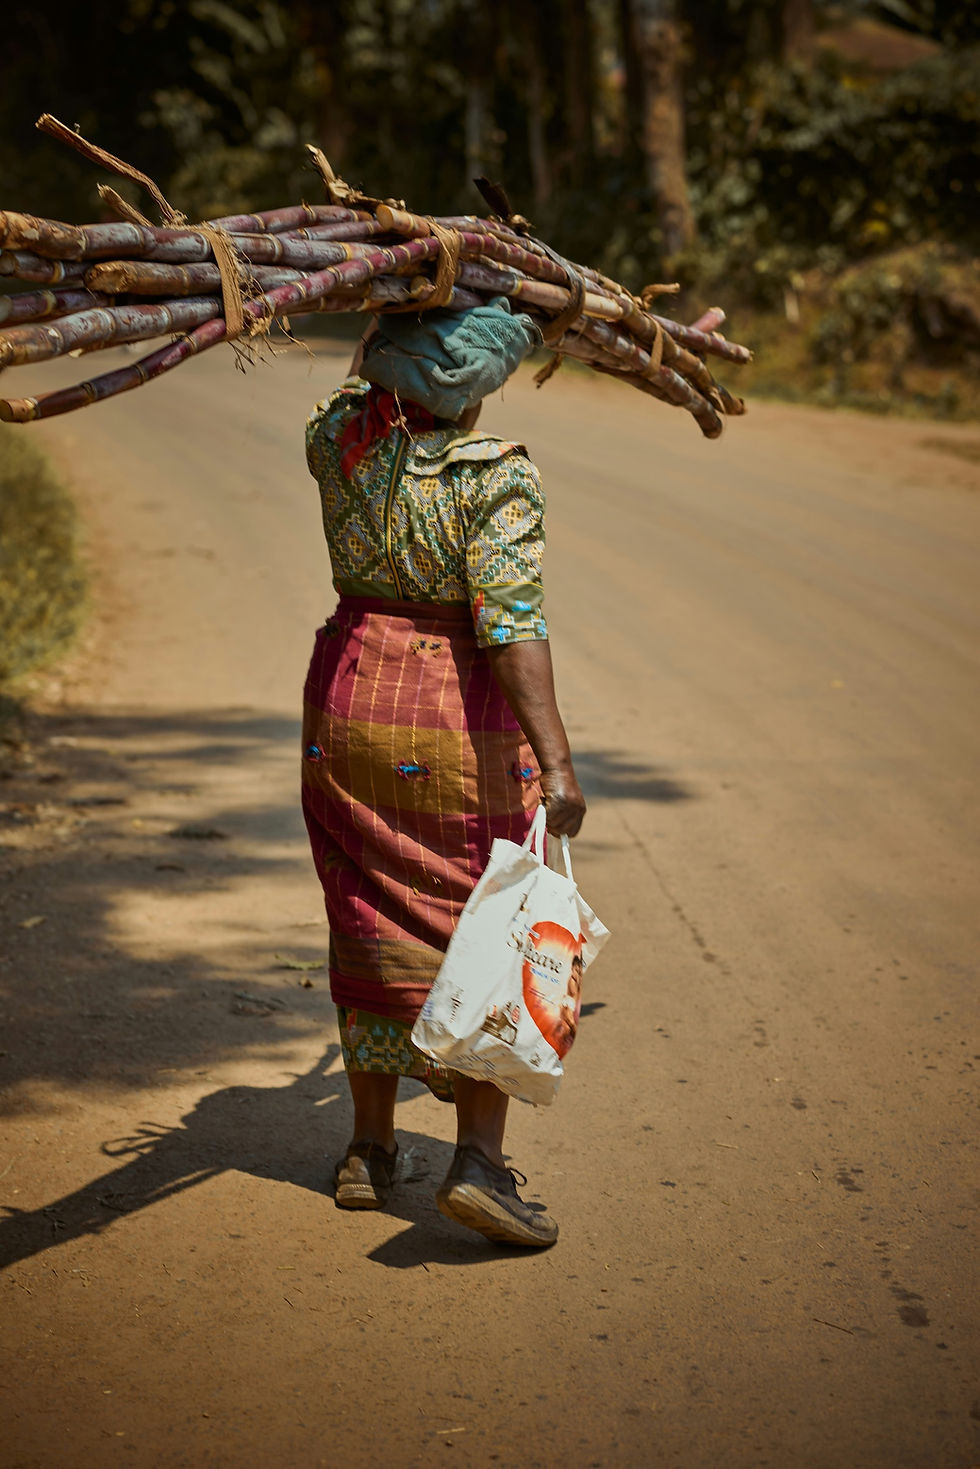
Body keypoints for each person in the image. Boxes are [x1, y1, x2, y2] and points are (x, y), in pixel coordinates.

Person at [302, 298, 586, 1248]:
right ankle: (479, 1164)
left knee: (364, 907)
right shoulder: (494, 476)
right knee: (489, 922)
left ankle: (368, 1149)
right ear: (471, 389)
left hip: (346, 700)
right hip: (450, 714)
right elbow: (510, 626)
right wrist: (557, 760)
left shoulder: (340, 443)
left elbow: (355, 386)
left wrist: (393, 311)